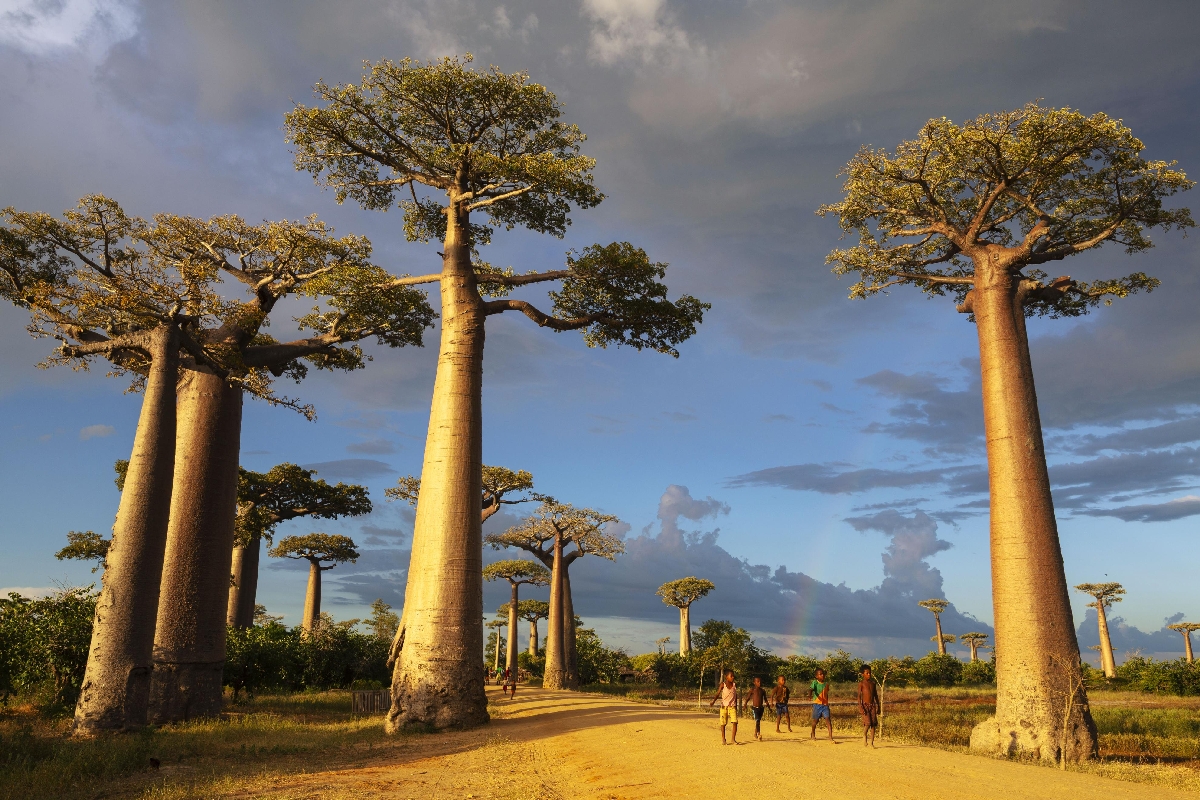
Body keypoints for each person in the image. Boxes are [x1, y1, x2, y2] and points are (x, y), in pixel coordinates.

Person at [709, 670, 739, 745]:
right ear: (726, 677)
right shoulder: (723, 685)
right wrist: (713, 702)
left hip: (732, 707)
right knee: (723, 723)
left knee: (735, 722)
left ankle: (733, 739)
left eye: (733, 676)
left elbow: (735, 695)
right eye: (731, 676)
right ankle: (723, 739)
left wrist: (736, 705)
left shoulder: (734, 685)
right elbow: (717, 694)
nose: (733, 677)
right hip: (724, 707)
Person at [857, 665, 880, 747]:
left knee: (873, 724)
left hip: (872, 705)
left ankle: (871, 743)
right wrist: (861, 707)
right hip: (865, 705)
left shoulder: (873, 683)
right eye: (867, 673)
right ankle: (864, 735)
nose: (869, 674)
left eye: (870, 673)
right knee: (868, 723)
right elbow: (859, 696)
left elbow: (876, 696)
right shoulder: (861, 684)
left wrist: (878, 706)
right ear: (863, 674)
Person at [809, 668, 834, 741]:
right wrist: (810, 695)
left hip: (825, 705)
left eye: (823, 674)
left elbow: (826, 694)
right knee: (815, 721)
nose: (822, 675)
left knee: (828, 720)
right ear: (816, 676)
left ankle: (830, 737)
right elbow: (811, 689)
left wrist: (827, 702)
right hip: (817, 704)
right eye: (820, 674)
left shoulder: (826, 684)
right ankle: (813, 733)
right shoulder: (815, 682)